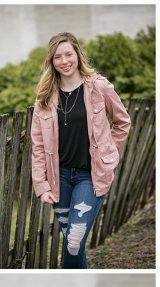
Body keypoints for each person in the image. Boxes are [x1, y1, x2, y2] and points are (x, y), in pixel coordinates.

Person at [30, 32, 131, 269]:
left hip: (90, 177)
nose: (64, 61)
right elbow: (39, 146)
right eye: (57, 57)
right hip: (60, 178)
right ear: (51, 61)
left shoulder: (99, 87)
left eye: (68, 54)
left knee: (74, 241)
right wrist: (42, 186)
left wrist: (108, 155)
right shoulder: (44, 98)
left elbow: (122, 122)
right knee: (73, 243)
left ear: (77, 54)